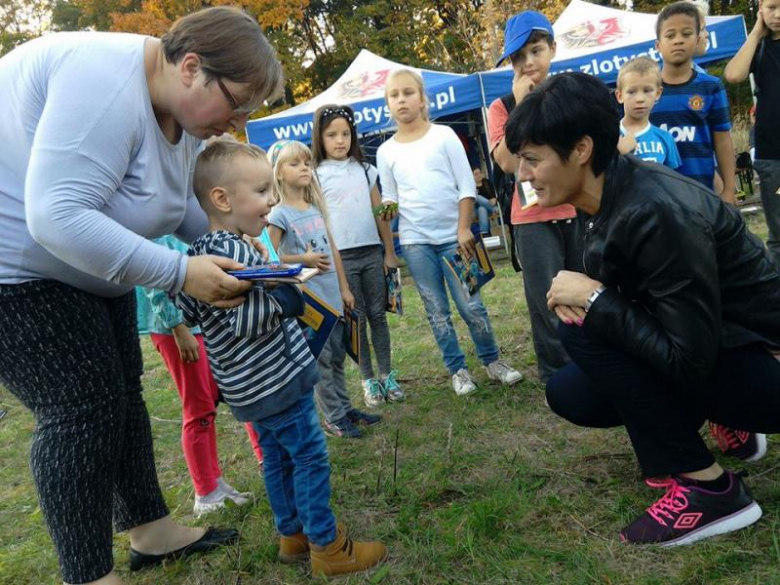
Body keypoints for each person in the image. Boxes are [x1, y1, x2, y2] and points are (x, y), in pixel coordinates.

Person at [0, 7, 282, 584]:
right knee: (79, 410)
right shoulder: (102, 80)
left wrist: (249, 263)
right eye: (237, 104)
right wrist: (180, 275)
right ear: (192, 68)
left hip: (86, 266)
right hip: (16, 269)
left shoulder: (177, 110)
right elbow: (56, 215)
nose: (236, 125)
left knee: (121, 395)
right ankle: (89, 573)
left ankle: (149, 531)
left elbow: (173, 208)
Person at [504, 71, 780, 547]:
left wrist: (594, 299)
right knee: (572, 391)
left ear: (582, 150)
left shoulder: (655, 210)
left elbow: (687, 358)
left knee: (583, 323)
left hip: (762, 362)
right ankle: (724, 420)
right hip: (722, 344)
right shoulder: (608, 193)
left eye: (532, 160)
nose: (522, 174)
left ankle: (711, 489)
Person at [178, 140, 388, 577]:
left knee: (276, 457)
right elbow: (245, 317)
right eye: (260, 192)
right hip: (274, 380)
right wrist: (288, 299)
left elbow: (191, 308)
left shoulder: (198, 253)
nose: (271, 201)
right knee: (310, 455)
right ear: (222, 199)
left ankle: (292, 534)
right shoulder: (231, 250)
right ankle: (327, 545)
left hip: (245, 386)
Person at [376, 69, 523, 396]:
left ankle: (493, 360)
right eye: (394, 95)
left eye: (408, 92)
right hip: (415, 244)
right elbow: (391, 196)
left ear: (422, 98)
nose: (402, 100)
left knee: (471, 305)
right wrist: (386, 208)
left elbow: (466, 185)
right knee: (436, 311)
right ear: (387, 103)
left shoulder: (443, 136)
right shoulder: (386, 152)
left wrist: (462, 228)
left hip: (455, 239)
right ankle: (457, 370)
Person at [137, 235, 265, 516]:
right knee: (199, 407)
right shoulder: (154, 225)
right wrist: (177, 327)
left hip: (204, 322)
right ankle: (206, 492)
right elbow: (150, 277)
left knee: (231, 392)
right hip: (178, 330)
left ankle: (239, 471)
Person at [487, 11, 583, 383]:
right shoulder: (502, 107)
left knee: (585, 285)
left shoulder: (570, 93)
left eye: (536, 51)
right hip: (531, 216)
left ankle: (592, 358)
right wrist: (522, 108)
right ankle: (557, 372)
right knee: (546, 299)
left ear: (553, 49)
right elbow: (509, 163)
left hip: (577, 208)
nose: (529, 63)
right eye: (518, 57)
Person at [267, 140, 382, 438]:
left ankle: (344, 409)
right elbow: (270, 257)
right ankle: (332, 418)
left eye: (306, 162)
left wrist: (344, 287)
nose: (304, 168)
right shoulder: (278, 214)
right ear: (278, 173)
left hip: (333, 297)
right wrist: (302, 259)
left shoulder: (315, 207)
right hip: (310, 303)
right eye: (295, 163)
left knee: (338, 356)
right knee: (322, 360)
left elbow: (332, 249)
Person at [310, 104, 405, 408]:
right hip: (343, 259)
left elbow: (380, 213)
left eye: (345, 134)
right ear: (320, 138)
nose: (340, 140)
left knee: (378, 316)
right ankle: (368, 380)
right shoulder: (316, 175)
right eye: (332, 135)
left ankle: (387, 375)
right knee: (357, 319)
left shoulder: (365, 170)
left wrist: (389, 252)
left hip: (372, 254)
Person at [650, 1, 736, 204]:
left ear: (697, 39)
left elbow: (722, 141)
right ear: (658, 45)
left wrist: (729, 189)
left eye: (686, 34)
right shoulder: (645, 89)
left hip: (701, 195)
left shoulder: (711, 87)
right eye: (670, 35)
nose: (678, 41)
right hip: (657, 198)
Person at [724, 0, 780, 267]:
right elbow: (734, 74)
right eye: (771, 7)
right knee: (779, 233)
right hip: (773, 158)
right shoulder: (758, 48)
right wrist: (757, 32)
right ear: (760, 9)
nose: (777, 14)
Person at [616, 57, 682, 170]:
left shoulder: (665, 138)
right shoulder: (608, 136)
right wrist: (619, 153)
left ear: (658, 93)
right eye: (631, 92)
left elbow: (673, 182)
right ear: (620, 96)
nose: (640, 99)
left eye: (647, 91)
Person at [472, 167, 498, 236]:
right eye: (476, 174)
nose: (479, 175)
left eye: (480, 173)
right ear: (472, 176)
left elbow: (494, 195)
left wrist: (494, 199)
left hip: (488, 209)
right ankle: (495, 209)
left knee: (482, 209)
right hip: (476, 211)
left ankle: (484, 234)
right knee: (477, 197)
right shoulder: (471, 187)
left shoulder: (487, 182)